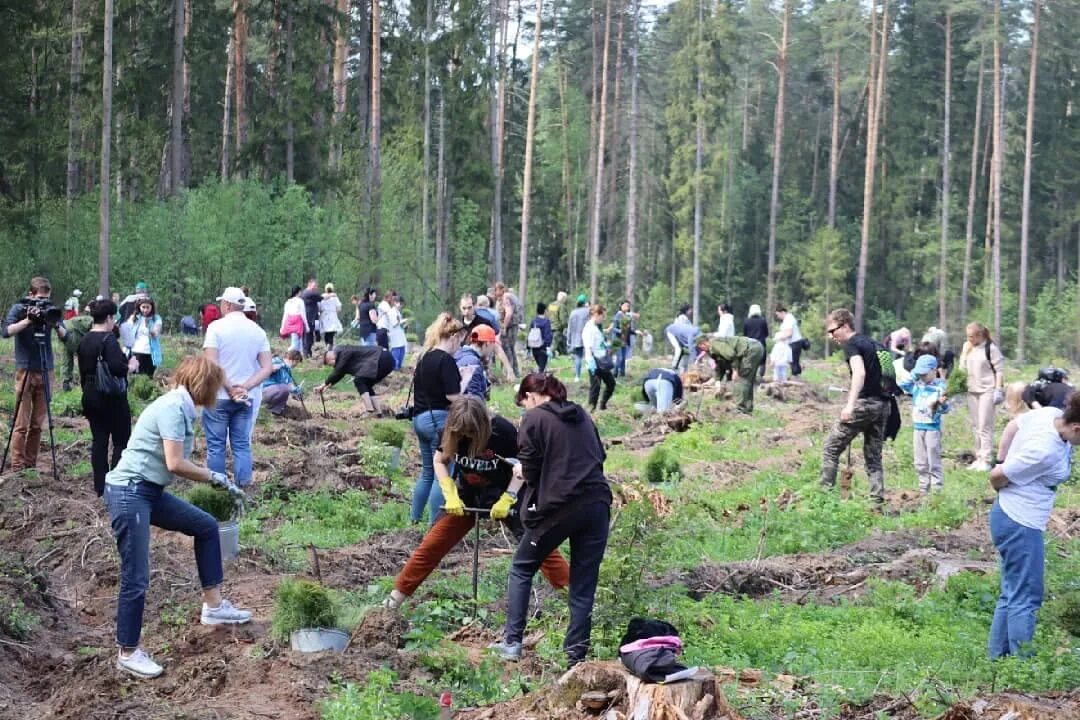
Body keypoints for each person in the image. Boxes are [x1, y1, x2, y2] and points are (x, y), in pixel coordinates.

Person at [104, 356, 252, 679]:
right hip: (130, 491)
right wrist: (214, 477)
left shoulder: (184, 406)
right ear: (204, 384)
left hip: (149, 491)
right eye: (216, 386)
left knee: (206, 526)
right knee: (137, 574)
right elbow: (175, 462)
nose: (219, 393)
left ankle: (214, 608)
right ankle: (128, 651)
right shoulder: (173, 407)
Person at [384, 395, 570, 609]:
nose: (466, 436)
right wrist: (449, 491)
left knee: (538, 545)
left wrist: (509, 496)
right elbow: (439, 460)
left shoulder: (502, 431)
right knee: (432, 545)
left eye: (471, 432)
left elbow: (523, 464)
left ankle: (575, 599)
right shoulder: (451, 430)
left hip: (508, 492)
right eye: (462, 433)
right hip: (468, 495)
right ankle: (392, 601)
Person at [490, 374, 611, 667]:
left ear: (532, 395)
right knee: (583, 585)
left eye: (524, 403)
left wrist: (521, 472)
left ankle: (512, 642)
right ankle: (576, 658)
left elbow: (530, 470)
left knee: (521, 568)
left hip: (559, 508)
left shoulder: (533, 420)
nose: (524, 410)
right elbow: (600, 455)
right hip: (597, 503)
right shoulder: (581, 413)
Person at [987, 393, 1080, 659]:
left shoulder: (1049, 414)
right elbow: (996, 477)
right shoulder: (1044, 451)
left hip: (1016, 516)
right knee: (1027, 595)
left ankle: (998, 658)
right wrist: (1002, 470)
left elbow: (1014, 424)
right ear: (1077, 428)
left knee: (1012, 591)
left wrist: (1002, 456)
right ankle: (1021, 665)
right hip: (1020, 520)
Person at [202, 287, 272, 488]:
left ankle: (219, 489)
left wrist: (229, 387)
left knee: (216, 447)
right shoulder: (257, 331)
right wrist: (245, 387)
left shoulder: (216, 328)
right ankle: (243, 488)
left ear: (227, 305)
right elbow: (267, 367)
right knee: (241, 445)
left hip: (218, 396)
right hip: (244, 398)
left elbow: (212, 364)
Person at [819, 308, 891, 505]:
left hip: (865, 405)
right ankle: (877, 502)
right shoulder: (876, 345)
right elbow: (889, 375)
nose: (831, 336)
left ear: (845, 326)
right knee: (874, 457)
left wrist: (850, 405)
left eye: (833, 331)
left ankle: (823, 499)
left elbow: (859, 373)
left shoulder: (852, 344)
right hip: (883, 405)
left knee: (830, 449)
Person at [3, 277, 69, 472]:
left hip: (45, 368)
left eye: (46, 299)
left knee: (38, 423)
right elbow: (5, 331)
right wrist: (27, 320)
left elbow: (67, 337)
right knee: (21, 422)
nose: (42, 304)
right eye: (39, 299)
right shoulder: (19, 308)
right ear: (30, 294)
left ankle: (31, 463)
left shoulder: (50, 310)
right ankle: (17, 465)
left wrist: (55, 323)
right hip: (25, 368)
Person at [411, 313, 464, 524]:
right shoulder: (446, 360)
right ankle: (435, 524)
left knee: (426, 472)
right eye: (460, 340)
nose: (460, 345)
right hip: (439, 422)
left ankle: (414, 518)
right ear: (452, 336)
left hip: (420, 419)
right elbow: (452, 396)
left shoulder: (425, 356)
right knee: (441, 473)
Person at [77, 299, 132, 497]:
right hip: (111, 398)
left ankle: (100, 485)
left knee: (99, 441)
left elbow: (82, 370)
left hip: (90, 396)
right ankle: (116, 481)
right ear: (109, 317)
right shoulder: (108, 340)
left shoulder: (85, 339)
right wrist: (131, 366)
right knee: (121, 440)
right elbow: (118, 368)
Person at [898, 354, 950, 494]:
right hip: (918, 427)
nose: (922, 377)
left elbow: (947, 409)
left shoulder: (940, 387)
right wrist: (914, 374)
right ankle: (923, 489)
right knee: (920, 461)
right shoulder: (916, 386)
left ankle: (936, 489)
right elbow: (902, 384)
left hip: (932, 428)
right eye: (919, 374)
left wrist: (943, 404)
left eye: (925, 373)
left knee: (933, 459)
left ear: (934, 370)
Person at [959, 322, 1005, 471]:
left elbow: (999, 371)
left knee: (985, 425)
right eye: (967, 336)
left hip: (987, 390)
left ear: (980, 335)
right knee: (976, 425)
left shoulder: (990, 349)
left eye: (971, 336)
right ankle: (978, 457)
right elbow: (962, 368)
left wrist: (998, 389)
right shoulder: (968, 347)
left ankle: (986, 458)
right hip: (972, 390)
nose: (969, 339)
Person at [693, 335, 764, 414]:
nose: (700, 349)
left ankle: (741, 409)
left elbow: (731, 355)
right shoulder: (713, 350)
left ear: (704, 343)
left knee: (742, 379)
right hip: (754, 347)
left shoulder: (715, 344)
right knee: (747, 380)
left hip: (751, 349)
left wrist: (735, 370)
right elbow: (720, 367)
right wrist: (714, 381)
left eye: (700, 346)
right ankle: (747, 408)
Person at [314, 345, 395, 414]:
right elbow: (339, 373)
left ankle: (369, 411)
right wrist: (326, 385)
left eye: (329, 364)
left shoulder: (343, 351)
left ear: (330, 358)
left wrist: (325, 383)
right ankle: (378, 412)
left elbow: (338, 370)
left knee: (359, 380)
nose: (332, 366)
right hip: (385, 359)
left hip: (382, 358)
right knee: (366, 384)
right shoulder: (342, 357)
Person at [460, 293, 514, 382]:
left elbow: (495, 346)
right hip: (461, 366)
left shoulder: (484, 323)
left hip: (481, 366)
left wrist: (509, 369)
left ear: (475, 306)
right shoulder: (457, 325)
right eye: (464, 308)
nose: (466, 311)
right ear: (460, 308)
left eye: (469, 308)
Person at [583, 305, 616, 412]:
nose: (604, 318)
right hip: (594, 361)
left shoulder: (596, 328)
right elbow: (588, 346)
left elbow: (599, 343)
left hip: (602, 361)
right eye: (603, 316)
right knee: (595, 387)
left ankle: (602, 404)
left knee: (611, 383)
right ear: (596, 315)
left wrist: (606, 345)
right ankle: (591, 411)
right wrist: (590, 362)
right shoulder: (589, 329)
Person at [455, 324, 500, 398]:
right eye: (493, 344)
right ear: (487, 343)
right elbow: (473, 397)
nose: (493, 349)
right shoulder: (473, 363)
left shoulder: (459, 353)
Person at [125, 298, 163, 377]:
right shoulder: (134, 317)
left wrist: (149, 327)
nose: (145, 310)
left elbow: (156, 333)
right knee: (135, 376)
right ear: (139, 307)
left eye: (147, 307)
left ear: (151, 307)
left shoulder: (156, 318)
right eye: (143, 307)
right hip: (136, 351)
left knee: (149, 376)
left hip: (150, 353)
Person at [261, 350, 303, 417]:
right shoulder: (276, 361)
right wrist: (279, 366)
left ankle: (275, 411)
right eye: (297, 362)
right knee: (284, 389)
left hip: (273, 392)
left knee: (285, 389)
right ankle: (267, 409)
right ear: (293, 360)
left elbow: (289, 384)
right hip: (263, 392)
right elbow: (267, 369)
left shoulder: (287, 370)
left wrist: (296, 389)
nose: (296, 365)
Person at [61, 309, 94, 392]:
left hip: (64, 329)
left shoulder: (89, 319)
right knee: (83, 356)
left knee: (67, 357)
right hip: (71, 331)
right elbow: (91, 325)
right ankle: (85, 382)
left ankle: (66, 381)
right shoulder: (92, 320)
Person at [665, 306, 699, 373]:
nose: (691, 311)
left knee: (685, 353)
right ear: (686, 310)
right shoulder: (682, 318)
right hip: (676, 335)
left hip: (682, 336)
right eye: (690, 310)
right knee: (679, 349)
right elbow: (681, 330)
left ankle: (684, 370)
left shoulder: (686, 319)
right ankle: (674, 367)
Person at [610, 300, 640, 378]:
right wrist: (620, 331)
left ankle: (622, 375)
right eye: (626, 305)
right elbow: (613, 328)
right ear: (621, 306)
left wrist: (635, 332)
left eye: (628, 306)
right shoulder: (618, 315)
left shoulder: (627, 316)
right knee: (619, 358)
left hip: (624, 340)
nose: (627, 307)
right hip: (617, 339)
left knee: (623, 358)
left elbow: (628, 330)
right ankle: (615, 374)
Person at [774, 305, 805, 377]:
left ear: (782, 312)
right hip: (792, 342)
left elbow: (789, 333)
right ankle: (797, 376)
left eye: (778, 315)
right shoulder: (787, 319)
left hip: (794, 342)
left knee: (794, 361)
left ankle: (796, 376)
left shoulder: (788, 319)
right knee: (793, 361)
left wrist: (779, 338)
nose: (778, 317)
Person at [498, 285, 522, 378]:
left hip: (510, 326)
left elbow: (509, 313)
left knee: (507, 348)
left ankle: (509, 373)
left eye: (496, 290)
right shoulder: (512, 296)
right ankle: (516, 372)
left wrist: (504, 326)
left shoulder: (506, 297)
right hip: (514, 325)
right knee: (511, 349)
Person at [566, 295, 590, 382]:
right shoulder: (588, 311)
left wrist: (568, 340)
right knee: (590, 356)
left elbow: (569, 327)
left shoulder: (573, 312)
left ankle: (577, 376)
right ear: (585, 303)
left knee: (578, 357)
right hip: (587, 337)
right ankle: (592, 374)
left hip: (576, 339)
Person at [742, 304, 769, 379]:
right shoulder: (763, 321)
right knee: (762, 362)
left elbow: (745, 335)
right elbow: (766, 334)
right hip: (761, 344)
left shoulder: (746, 321)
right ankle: (760, 377)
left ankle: (752, 377)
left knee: (751, 361)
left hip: (750, 344)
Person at [527, 303, 553, 373]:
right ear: (545, 311)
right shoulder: (546, 321)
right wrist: (548, 347)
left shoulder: (533, 321)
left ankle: (539, 380)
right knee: (542, 369)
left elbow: (529, 334)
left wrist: (528, 348)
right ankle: (540, 382)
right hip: (543, 348)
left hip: (534, 348)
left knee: (540, 367)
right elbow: (547, 335)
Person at [280, 286, 307, 353]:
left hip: (289, 321)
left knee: (299, 340)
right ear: (299, 292)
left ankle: (300, 355)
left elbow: (285, 315)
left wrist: (282, 327)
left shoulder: (288, 302)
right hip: (297, 321)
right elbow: (303, 314)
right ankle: (289, 352)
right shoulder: (300, 301)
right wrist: (307, 325)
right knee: (295, 343)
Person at [300, 277, 322, 357]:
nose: (315, 287)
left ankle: (308, 352)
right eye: (314, 285)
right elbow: (321, 297)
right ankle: (306, 353)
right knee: (307, 336)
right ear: (309, 284)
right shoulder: (308, 293)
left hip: (312, 318)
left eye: (316, 286)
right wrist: (331, 294)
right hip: (308, 318)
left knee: (309, 336)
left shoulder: (310, 293)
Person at [387, 294, 409, 370]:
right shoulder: (391, 312)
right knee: (396, 352)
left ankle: (399, 366)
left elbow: (399, 324)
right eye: (400, 303)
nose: (401, 306)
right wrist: (402, 321)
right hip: (395, 335)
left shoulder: (398, 312)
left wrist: (404, 325)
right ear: (395, 302)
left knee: (402, 351)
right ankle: (394, 367)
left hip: (400, 334)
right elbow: (394, 323)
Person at [319, 284, 343, 350]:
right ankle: (330, 346)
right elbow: (339, 308)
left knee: (326, 332)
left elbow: (319, 307)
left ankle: (327, 345)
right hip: (332, 315)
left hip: (324, 315)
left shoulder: (322, 296)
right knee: (331, 333)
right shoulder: (335, 297)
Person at [549, 291, 569, 356]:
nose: (566, 300)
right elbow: (563, 318)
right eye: (565, 298)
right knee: (554, 344)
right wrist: (566, 326)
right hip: (558, 327)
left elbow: (550, 315)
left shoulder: (551, 305)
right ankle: (548, 356)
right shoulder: (562, 306)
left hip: (551, 326)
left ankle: (563, 354)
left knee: (558, 342)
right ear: (563, 298)